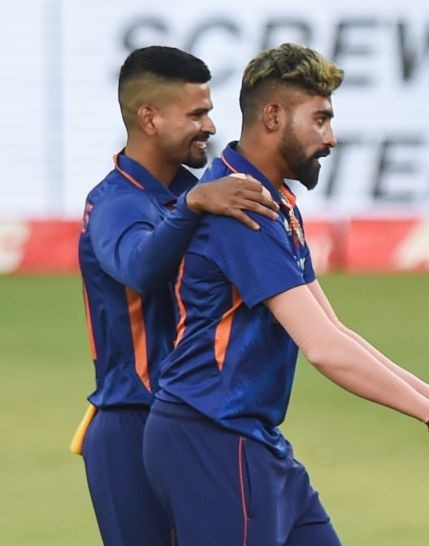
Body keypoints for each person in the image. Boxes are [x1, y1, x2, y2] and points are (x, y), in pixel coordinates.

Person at [141, 43, 429, 546]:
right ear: (274, 116)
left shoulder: (273, 199)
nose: (331, 137)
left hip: (250, 439)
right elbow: (322, 348)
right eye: (320, 119)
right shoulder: (242, 207)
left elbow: (335, 329)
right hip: (211, 439)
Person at [73, 46, 281, 546]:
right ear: (149, 118)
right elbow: (138, 269)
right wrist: (191, 205)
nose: (210, 126)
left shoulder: (202, 192)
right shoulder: (116, 204)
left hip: (201, 423)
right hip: (130, 422)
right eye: (197, 114)